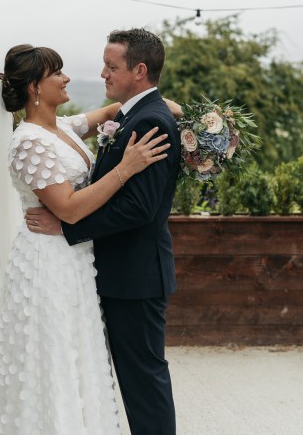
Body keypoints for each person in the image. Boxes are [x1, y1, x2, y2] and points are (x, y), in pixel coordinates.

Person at [0, 43, 174, 435]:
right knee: (55, 351)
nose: (66, 78)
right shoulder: (29, 142)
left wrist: (173, 110)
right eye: (56, 73)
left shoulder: (61, 128)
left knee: (79, 350)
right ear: (34, 89)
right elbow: (71, 209)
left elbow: (113, 112)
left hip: (75, 258)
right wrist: (125, 169)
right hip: (47, 262)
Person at [26, 28, 182, 435]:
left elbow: (139, 208)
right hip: (119, 273)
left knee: (144, 381)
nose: (103, 74)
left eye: (112, 67)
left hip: (136, 275)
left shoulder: (150, 121)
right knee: (131, 379)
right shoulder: (133, 113)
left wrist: (67, 227)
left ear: (140, 70)